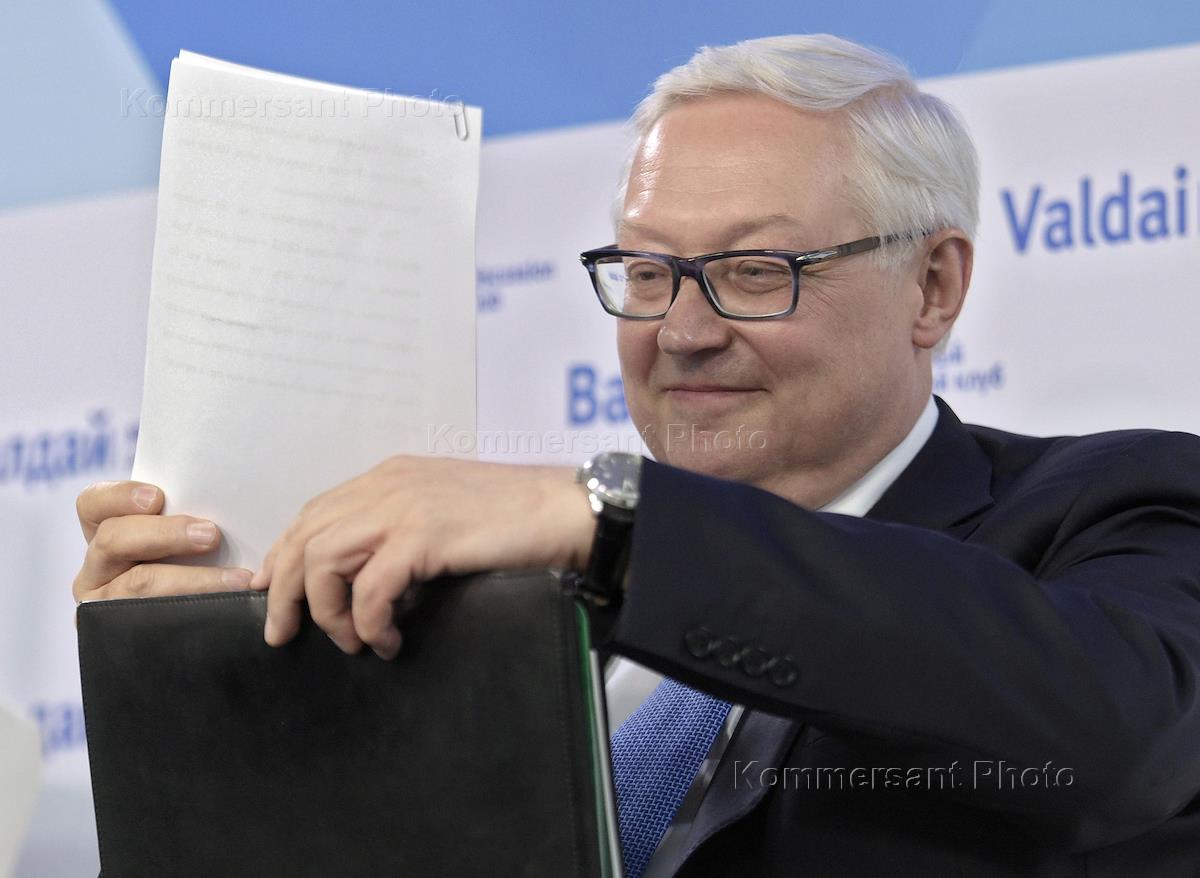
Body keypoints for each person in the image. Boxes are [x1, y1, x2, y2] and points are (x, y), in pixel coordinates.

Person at [73, 34, 1200, 877]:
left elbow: (1128, 740)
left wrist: (616, 520)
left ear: (933, 287)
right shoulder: (507, 609)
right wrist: (201, 678)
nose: (683, 330)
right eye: (650, 273)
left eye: (754, 272)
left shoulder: (1117, 508)